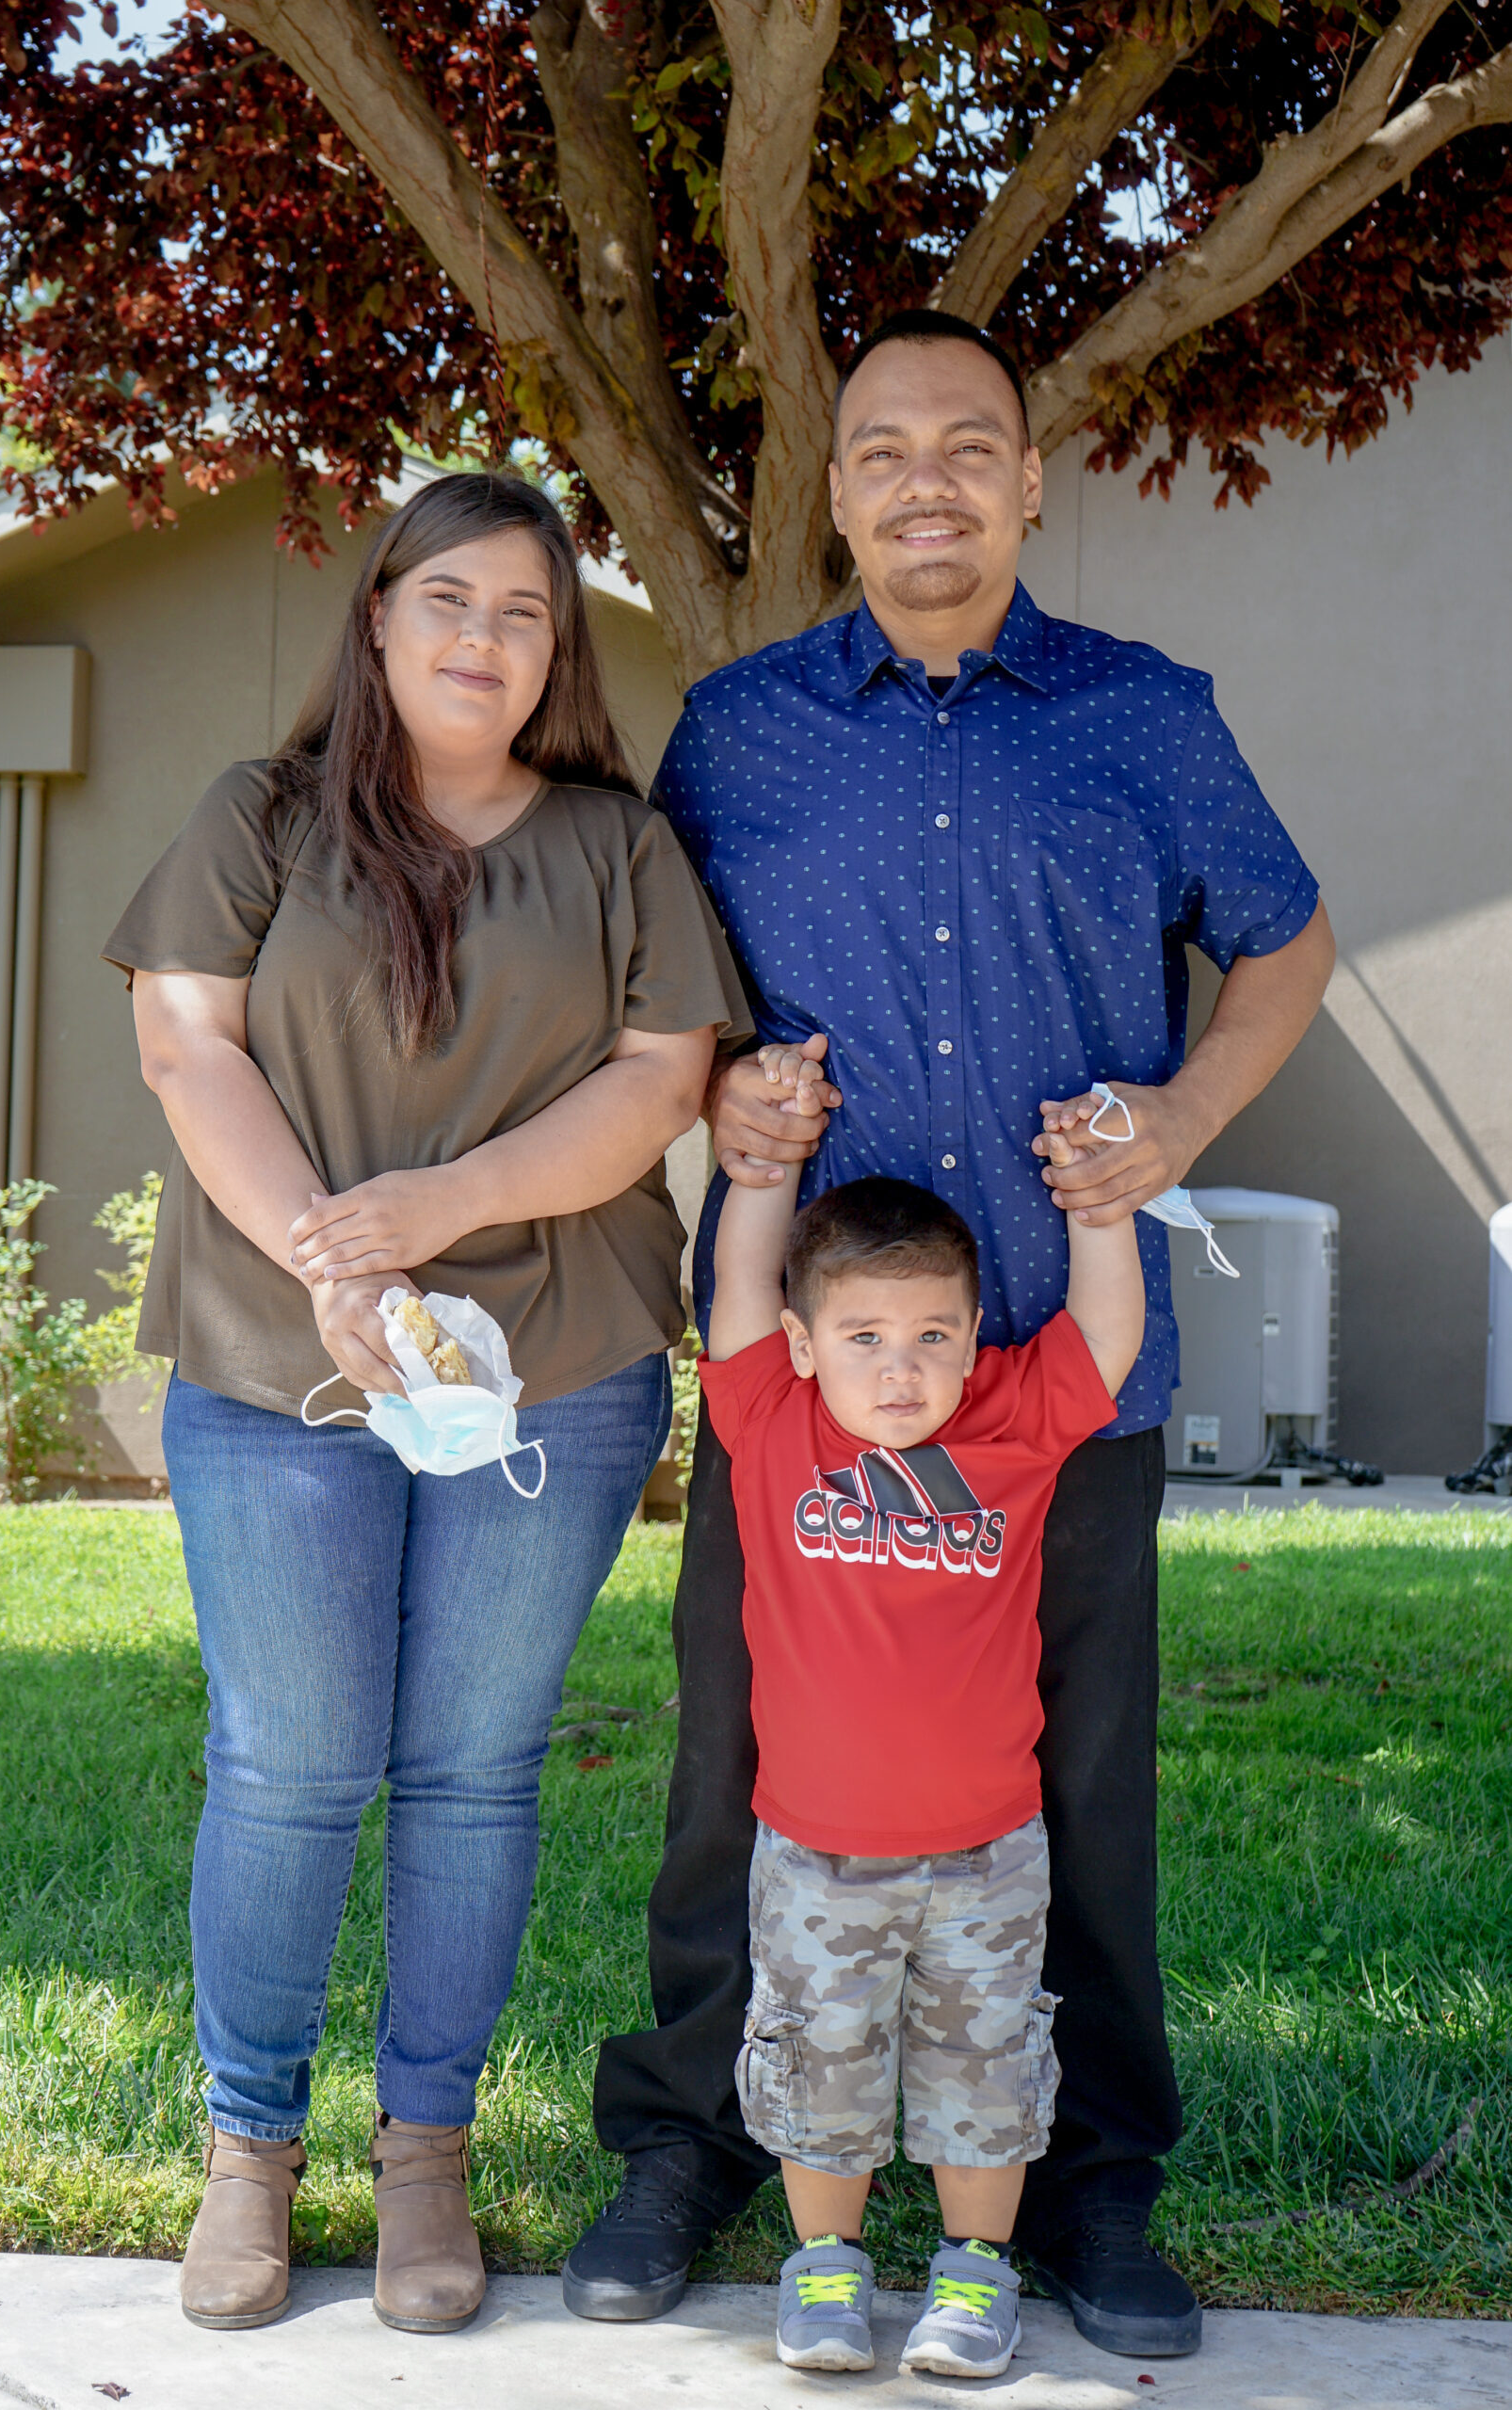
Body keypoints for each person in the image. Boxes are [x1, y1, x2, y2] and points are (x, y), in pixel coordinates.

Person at [571, 309, 1335, 2359]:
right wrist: (716, 1096)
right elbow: (667, 1002)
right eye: (884, 448)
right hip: (808, 1394)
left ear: (1021, 476)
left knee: (1073, 1786)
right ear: (834, 489)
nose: (927, 479)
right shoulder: (733, 733)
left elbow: (1283, 937)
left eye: (968, 446)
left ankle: (1086, 2186)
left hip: (1061, 1385)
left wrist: (1179, 1113)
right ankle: (690, 2141)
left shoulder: (1143, 715)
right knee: (740, 1765)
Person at [101, 472, 749, 2337]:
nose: (478, 637)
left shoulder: (617, 844)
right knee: (289, 1761)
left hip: (553, 1357)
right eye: (443, 598)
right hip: (273, 1355)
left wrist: (443, 1209)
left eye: (521, 611)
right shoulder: (261, 816)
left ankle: (428, 2153)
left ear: (557, 648)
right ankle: (246, 2154)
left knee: (472, 1767)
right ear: (376, 616)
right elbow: (183, 1039)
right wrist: (337, 1261)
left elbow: (659, 1084)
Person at [699, 1068, 1145, 2379]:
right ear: (804, 1343)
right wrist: (767, 1172)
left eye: (934, 1336)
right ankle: (827, 2268)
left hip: (987, 1851)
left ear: (974, 1334)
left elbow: (1105, 1333)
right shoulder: (772, 1419)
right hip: (817, 1850)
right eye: (866, 1339)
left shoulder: (1012, 1419)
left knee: (986, 2066)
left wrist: (1098, 1200)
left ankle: (972, 2274)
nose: (902, 1372)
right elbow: (739, 1290)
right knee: (819, 2060)